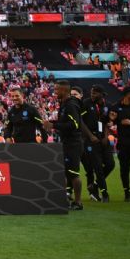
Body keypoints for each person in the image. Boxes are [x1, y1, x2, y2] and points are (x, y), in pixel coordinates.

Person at [43, 80, 85, 210]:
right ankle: (66, 199)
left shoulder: (71, 104)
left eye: (56, 90)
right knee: (65, 172)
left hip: (73, 143)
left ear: (64, 90)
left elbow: (75, 125)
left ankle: (78, 202)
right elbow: (64, 121)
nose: (54, 92)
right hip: (66, 142)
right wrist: (51, 122)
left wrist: (54, 125)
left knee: (73, 174)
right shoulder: (64, 103)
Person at [80, 85, 113, 202]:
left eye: (94, 93)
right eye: (91, 92)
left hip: (103, 138)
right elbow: (81, 122)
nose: (92, 95)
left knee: (111, 164)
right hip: (90, 138)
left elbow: (106, 123)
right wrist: (90, 136)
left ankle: (94, 185)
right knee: (98, 166)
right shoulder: (86, 103)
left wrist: (105, 135)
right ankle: (104, 193)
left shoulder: (107, 105)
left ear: (101, 94)